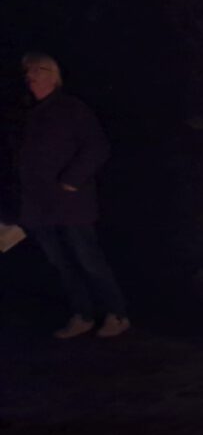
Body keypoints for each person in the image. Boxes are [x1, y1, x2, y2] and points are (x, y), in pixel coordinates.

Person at [18, 52, 129, 339]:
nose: (32, 75)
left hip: (71, 205)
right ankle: (83, 314)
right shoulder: (28, 114)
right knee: (60, 264)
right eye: (29, 71)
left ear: (55, 77)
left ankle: (116, 313)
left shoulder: (71, 109)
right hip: (38, 206)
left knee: (87, 259)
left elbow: (97, 146)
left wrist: (71, 181)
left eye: (40, 70)